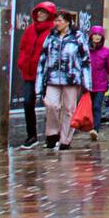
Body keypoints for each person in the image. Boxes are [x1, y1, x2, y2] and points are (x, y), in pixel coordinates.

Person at [35, 11, 90, 150]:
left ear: (67, 22)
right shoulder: (51, 37)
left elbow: (85, 59)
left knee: (69, 110)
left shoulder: (77, 37)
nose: (56, 23)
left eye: (60, 21)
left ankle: (65, 140)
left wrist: (87, 82)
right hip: (53, 78)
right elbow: (43, 58)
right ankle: (52, 133)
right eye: (56, 21)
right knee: (51, 105)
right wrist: (40, 80)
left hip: (71, 79)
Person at [15, 1, 56, 149]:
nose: (40, 14)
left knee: (51, 106)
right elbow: (23, 47)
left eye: (43, 12)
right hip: (29, 74)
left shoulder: (53, 31)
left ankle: (52, 135)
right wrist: (22, 62)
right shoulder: (30, 30)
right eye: (38, 12)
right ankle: (31, 135)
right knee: (27, 103)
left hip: (47, 75)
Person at [86, 26, 109, 134]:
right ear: (91, 36)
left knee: (96, 106)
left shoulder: (106, 52)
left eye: (99, 35)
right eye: (95, 34)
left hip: (101, 84)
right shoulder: (85, 50)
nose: (97, 37)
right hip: (87, 84)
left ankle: (95, 129)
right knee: (87, 106)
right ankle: (88, 125)